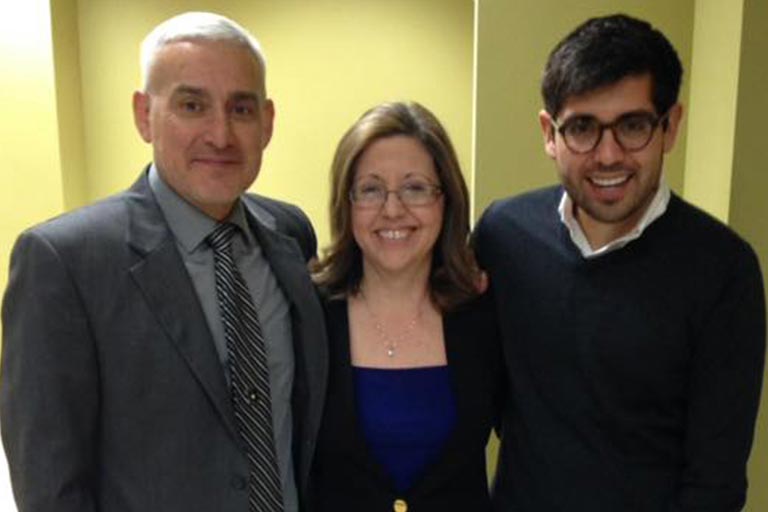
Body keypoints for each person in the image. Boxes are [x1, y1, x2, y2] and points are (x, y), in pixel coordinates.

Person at [0, 12, 327, 512]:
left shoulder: (290, 235)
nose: (220, 134)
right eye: (191, 105)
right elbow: (50, 484)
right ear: (142, 114)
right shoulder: (64, 263)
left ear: (267, 122)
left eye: (241, 109)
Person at [474, 13, 766, 512]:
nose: (608, 155)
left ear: (670, 126)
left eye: (633, 126)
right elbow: (478, 395)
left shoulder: (724, 270)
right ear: (549, 133)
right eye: (583, 128)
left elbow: (714, 483)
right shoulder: (503, 235)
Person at [309, 101, 503, 511]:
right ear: (347, 204)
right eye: (371, 189)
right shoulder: (309, 316)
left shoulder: (485, 314)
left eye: (415, 188)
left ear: (445, 199)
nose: (392, 209)